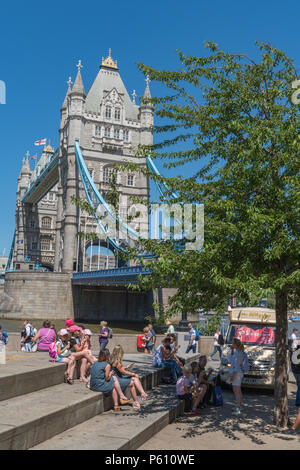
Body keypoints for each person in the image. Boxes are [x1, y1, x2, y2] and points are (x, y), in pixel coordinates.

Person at [110, 345, 149, 409]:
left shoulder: (112, 358)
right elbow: (123, 372)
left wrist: (126, 367)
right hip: (117, 379)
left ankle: (139, 398)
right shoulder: (116, 360)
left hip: (116, 377)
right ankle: (141, 395)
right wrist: (133, 374)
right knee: (134, 379)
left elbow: (119, 368)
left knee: (133, 381)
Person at [228, 338, 245, 416]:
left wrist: (233, 376)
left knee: (236, 391)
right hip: (237, 373)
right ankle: (239, 406)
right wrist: (232, 350)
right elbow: (231, 360)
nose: (231, 344)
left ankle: (238, 409)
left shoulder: (239, 354)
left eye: (232, 343)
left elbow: (237, 366)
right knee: (238, 390)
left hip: (237, 374)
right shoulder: (238, 352)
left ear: (235, 344)